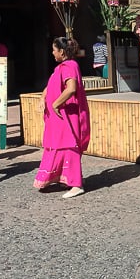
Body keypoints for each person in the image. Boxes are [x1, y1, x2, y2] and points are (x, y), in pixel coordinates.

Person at [33, 37, 91, 199]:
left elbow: (71, 88)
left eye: (54, 50)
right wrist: (42, 98)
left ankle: (76, 184)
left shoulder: (69, 67)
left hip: (68, 115)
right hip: (61, 116)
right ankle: (65, 177)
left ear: (62, 52)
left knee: (68, 145)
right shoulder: (61, 68)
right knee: (59, 144)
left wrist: (55, 104)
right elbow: (50, 85)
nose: (52, 52)